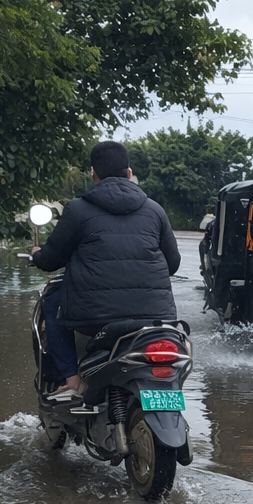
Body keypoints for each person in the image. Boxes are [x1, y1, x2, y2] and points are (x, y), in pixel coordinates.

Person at [30, 141, 180, 401]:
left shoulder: (77, 210)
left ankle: (72, 380)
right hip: (156, 318)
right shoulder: (155, 210)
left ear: (93, 173)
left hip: (93, 319)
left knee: (52, 302)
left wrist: (35, 254)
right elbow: (173, 264)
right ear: (129, 173)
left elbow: (50, 261)